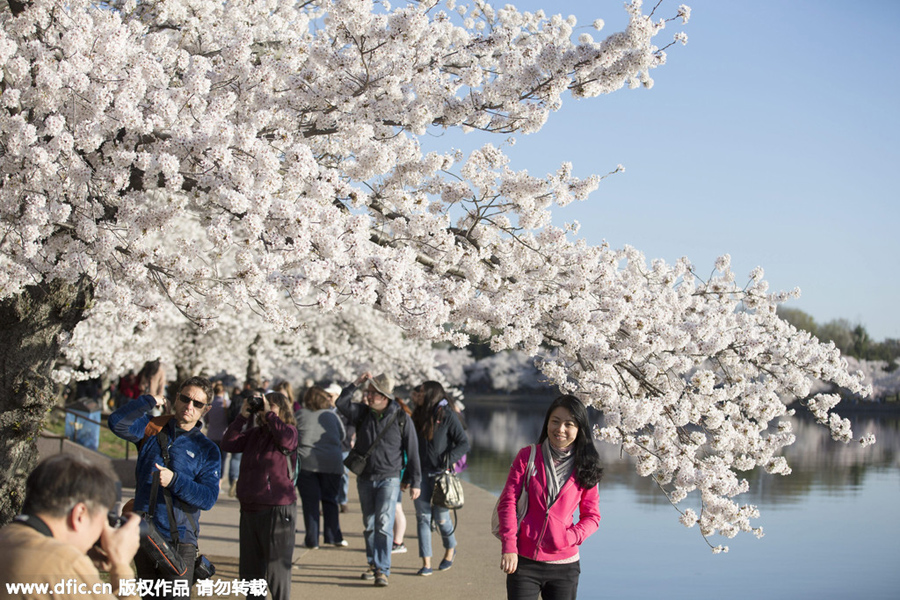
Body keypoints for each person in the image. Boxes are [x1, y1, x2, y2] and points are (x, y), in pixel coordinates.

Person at [108, 376, 221, 598]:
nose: (189, 406)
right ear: (176, 398)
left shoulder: (207, 449)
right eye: (185, 399)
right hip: (144, 534)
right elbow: (117, 422)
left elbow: (208, 498)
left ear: (206, 409)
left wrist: (174, 481)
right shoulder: (152, 427)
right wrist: (149, 401)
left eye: (197, 403)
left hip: (180, 541)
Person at [497, 395, 603, 600]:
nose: (560, 429)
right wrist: (509, 546)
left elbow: (592, 517)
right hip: (524, 561)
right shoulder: (527, 457)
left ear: (579, 428)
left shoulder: (586, 466)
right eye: (555, 421)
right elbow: (508, 503)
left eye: (569, 424)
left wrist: (569, 537)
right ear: (547, 423)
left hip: (564, 567)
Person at [0, 454, 142, 600]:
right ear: (80, 514)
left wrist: (83, 556)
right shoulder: (64, 564)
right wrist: (120, 564)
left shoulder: (7, 537)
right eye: (102, 522)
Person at [334, 372, 421, 588]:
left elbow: (412, 450)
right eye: (368, 392)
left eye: (373, 393)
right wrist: (356, 382)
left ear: (385, 396)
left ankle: (382, 569)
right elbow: (341, 402)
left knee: (383, 522)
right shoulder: (362, 413)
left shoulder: (401, 418)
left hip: (389, 478)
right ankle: (373, 564)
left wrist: (415, 481)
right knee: (370, 524)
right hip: (365, 477)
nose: (368, 396)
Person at [222, 391, 298, 600]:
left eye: (270, 406)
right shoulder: (255, 434)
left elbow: (286, 440)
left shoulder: (289, 431)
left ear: (282, 410)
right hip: (250, 508)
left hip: (277, 509)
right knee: (250, 574)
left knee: (276, 572)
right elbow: (228, 443)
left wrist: (270, 415)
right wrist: (242, 416)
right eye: (263, 406)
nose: (264, 410)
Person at [410, 381, 469, 576]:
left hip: (440, 475)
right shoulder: (417, 414)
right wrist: (408, 475)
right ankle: (426, 562)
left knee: (441, 518)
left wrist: (447, 459)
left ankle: (451, 548)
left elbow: (463, 443)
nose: (418, 395)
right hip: (420, 474)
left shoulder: (446, 415)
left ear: (431, 394)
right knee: (422, 518)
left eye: (422, 392)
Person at [295, 386, 346, 549]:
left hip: (307, 462)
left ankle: (312, 540)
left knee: (310, 502)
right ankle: (333, 536)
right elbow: (342, 435)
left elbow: (293, 435)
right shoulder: (331, 415)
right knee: (330, 499)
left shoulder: (300, 415)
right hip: (332, 462)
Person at [204, 381, 231, 489]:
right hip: (223, 435)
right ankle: (219, 482)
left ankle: (210, 480)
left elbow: (206, 419)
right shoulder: (227, 404)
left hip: (211, 435)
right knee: (222, 460)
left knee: (211, 459)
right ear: (223, 391)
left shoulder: (210, 405)